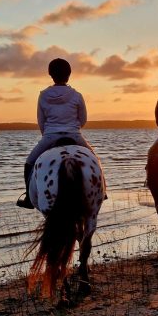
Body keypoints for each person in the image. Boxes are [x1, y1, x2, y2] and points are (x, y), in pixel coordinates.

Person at [16, 58, 95, 209]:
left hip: (50, 136)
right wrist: (74, 128)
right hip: (75, 136)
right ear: (69, 75)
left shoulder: (43, 95)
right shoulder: (77, 95)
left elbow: (41, 120)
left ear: (50, 74)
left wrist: (47, 134)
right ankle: (102, 191)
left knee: (29, 163)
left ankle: (28, 198)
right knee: (95, 161)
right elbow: (83, 119)